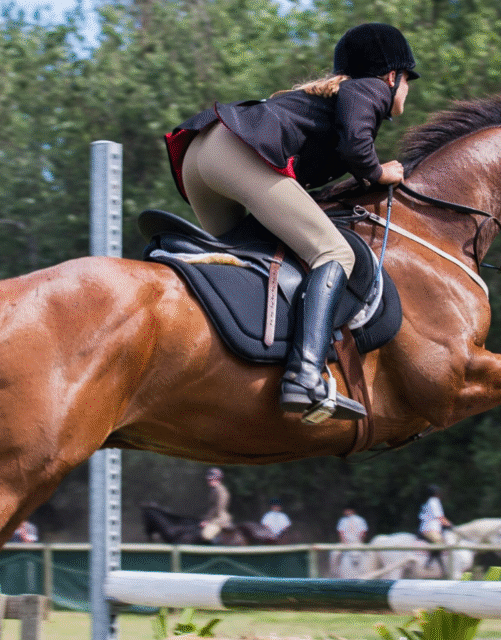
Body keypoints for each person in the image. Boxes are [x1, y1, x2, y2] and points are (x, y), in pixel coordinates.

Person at [164, 22, 418, 424]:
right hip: (235, 155)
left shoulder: (321, 98)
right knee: (334, 252)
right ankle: (305, 375)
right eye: (408, 81)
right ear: (392, 76)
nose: (407, 91)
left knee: (242, 259)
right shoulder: (367, 88)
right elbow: (357, 146)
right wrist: (378, 173)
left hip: (201, 155)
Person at [199, 467, 233, 542]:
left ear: (217, 479)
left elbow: (218, 508)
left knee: (206, 535)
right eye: (208, 479)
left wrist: (207, 521)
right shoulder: (214, 490)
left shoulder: (221, 491)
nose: (208, 481)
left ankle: (218, 547)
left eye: (210, 479)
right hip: (214, 517)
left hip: (219, 519)